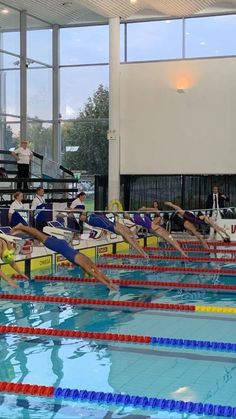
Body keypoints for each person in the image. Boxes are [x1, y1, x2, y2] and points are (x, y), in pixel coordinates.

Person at [12, 224, 117, 291]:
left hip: (62, 245)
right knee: (37, 233)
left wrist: (109, 281)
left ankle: (21, 230)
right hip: (58, 245)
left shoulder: (85, 259)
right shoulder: (83, 263)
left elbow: (97, 272)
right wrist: (107, 284)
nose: (89, 272)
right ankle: (21, 226)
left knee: (37, 235)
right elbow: (95, 273)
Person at [79, 212, 149, 259]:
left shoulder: (90, 215)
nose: (82, 216)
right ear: (81, 219)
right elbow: (101, 225)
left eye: (82, 215)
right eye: (81, 217)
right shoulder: (89, 221)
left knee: (130, 234)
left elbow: (102, 217)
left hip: (114, 223)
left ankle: (143, 251)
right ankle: (141, 253)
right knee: (128, 237)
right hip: (112, 227)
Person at [165, 202, 230, 247]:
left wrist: (226, 235)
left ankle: (174, 210)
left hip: (195, 220)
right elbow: (217, 229)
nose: (213, 220)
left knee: (182, 213)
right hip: (194, 218)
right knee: (181, 211)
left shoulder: (210, 221)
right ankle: (171, 205)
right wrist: (222, 236)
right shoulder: (209, 220)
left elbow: (219, 228)